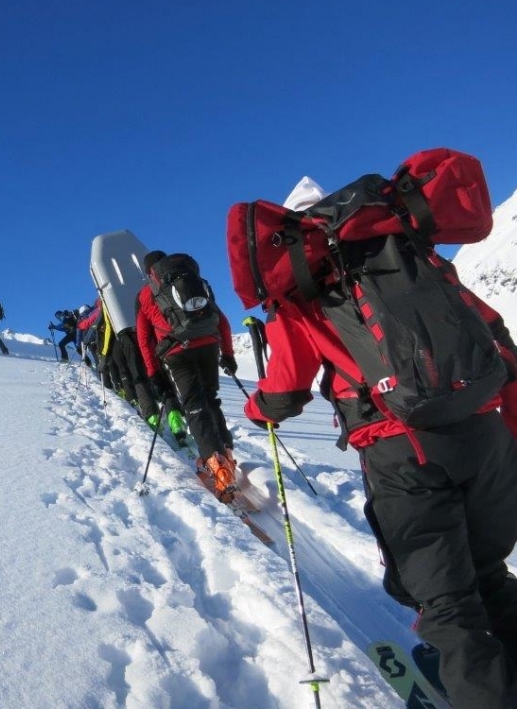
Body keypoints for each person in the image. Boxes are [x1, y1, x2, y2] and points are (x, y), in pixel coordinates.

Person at [240, 176, 517, 709]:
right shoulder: (414, 252)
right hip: (486, 433)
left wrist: (260, 410)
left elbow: (286, 384)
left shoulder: (303, 283)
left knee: (447, 602)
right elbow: (490, 330)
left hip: (405, 451)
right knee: (489, 573)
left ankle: (479, 689)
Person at [136, 250, 237, 495]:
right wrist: (228, 354)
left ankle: (217, 467)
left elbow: (144, 338)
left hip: (176, 352)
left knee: (194, 406)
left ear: (148, 272)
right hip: (209, 344)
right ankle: (227, 455)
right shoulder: (191, 281)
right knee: (211, 399)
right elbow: (221, 319)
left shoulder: (146, 294)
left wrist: (153, 372)